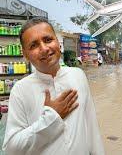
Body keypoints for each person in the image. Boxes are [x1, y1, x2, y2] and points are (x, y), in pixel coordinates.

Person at [2, 17, 105, 155]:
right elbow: (11, 149)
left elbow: (92, 127)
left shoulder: (78, 75)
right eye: (33, 45)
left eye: (48, 40)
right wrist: (51, 118)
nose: (44, 49)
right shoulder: (20, 90)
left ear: (58, 42)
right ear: (25, 54)